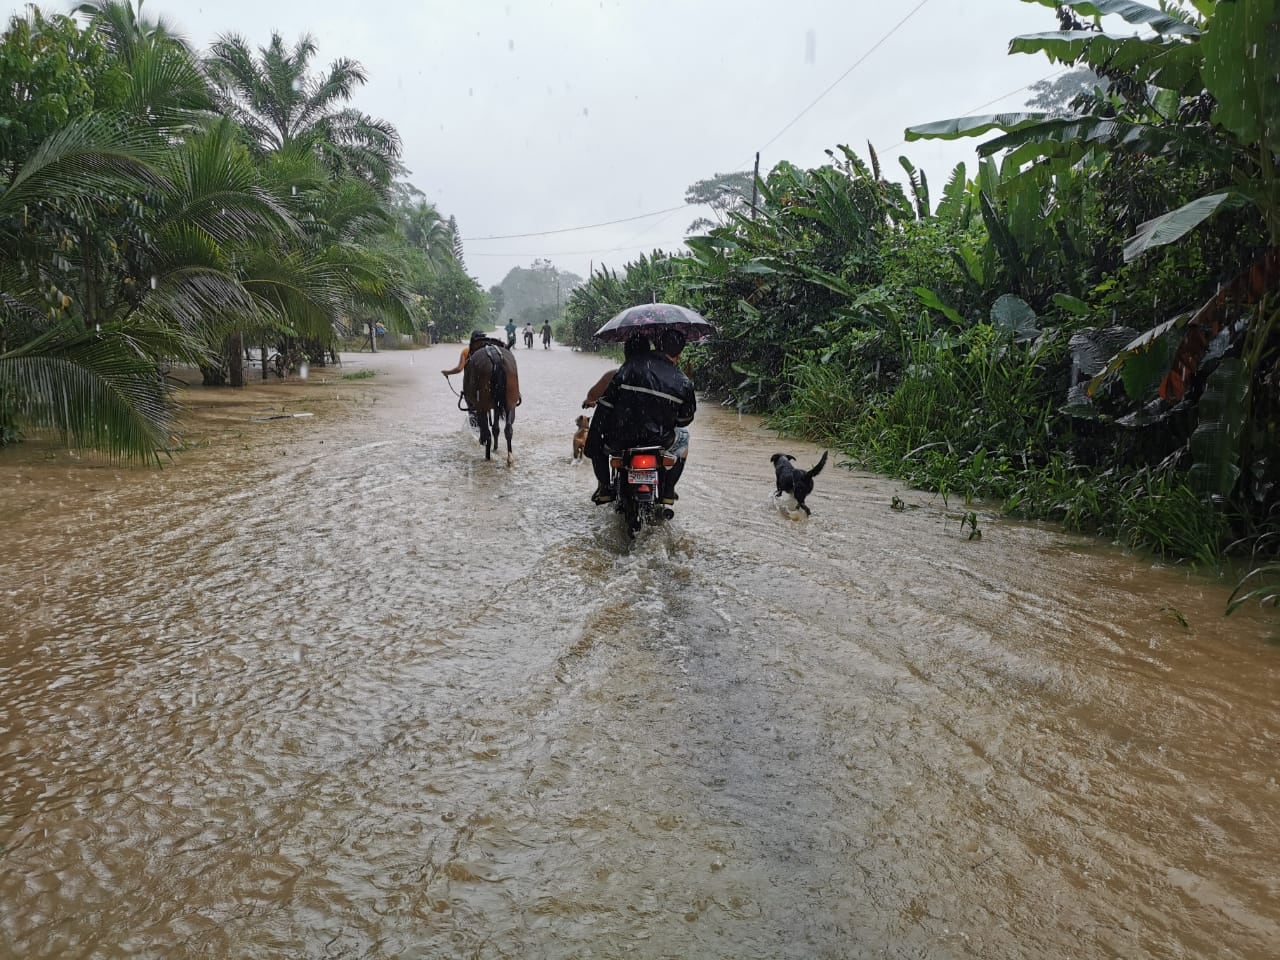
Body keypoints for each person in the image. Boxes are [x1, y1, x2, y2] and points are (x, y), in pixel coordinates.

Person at [588, 328, 696, 505]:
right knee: (684, 439)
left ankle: (606, 488)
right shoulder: (683, 381)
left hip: (621, 438)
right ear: (680, 352)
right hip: (660, 439)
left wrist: (596, 438)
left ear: (657, 346)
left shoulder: (630, 367)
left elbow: (607, 404)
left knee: (599, 444)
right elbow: (685, 419)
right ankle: (668, 491)